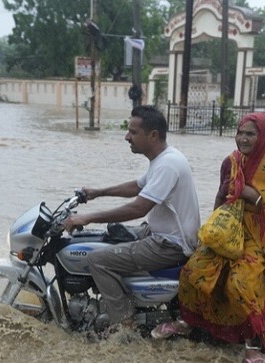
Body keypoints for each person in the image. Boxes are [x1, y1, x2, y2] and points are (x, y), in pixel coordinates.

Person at [152, 112, 265, 363]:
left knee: (239, 283)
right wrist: (211, 228)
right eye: (240, 133)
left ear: (264, 136)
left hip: (261, 238)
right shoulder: (231, 162)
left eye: (250, 134)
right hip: (230, 229)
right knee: (194, 271)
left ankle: (252, 345)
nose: (242, 139)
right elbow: (221, 196)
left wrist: (252, 196)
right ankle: (189, 322)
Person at [63, 105, 201, 331]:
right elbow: (137, 187)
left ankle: (126, 323)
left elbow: (139, 208)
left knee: (98, 260)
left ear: (153, 135)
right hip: (161, 233)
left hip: (169, 244)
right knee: (105, 237)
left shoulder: (168, 164)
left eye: (133, 132)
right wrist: (98, 192)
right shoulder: (164, 158)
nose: (127, 137)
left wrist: (87, 218)